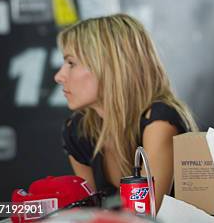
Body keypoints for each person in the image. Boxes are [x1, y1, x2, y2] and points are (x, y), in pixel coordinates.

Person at [54, 13, 198, 211]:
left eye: (71, 63)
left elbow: (146, 216)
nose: (59, 76)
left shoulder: (159, 120)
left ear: (109, 66)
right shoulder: (78, 129)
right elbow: (87, 212)